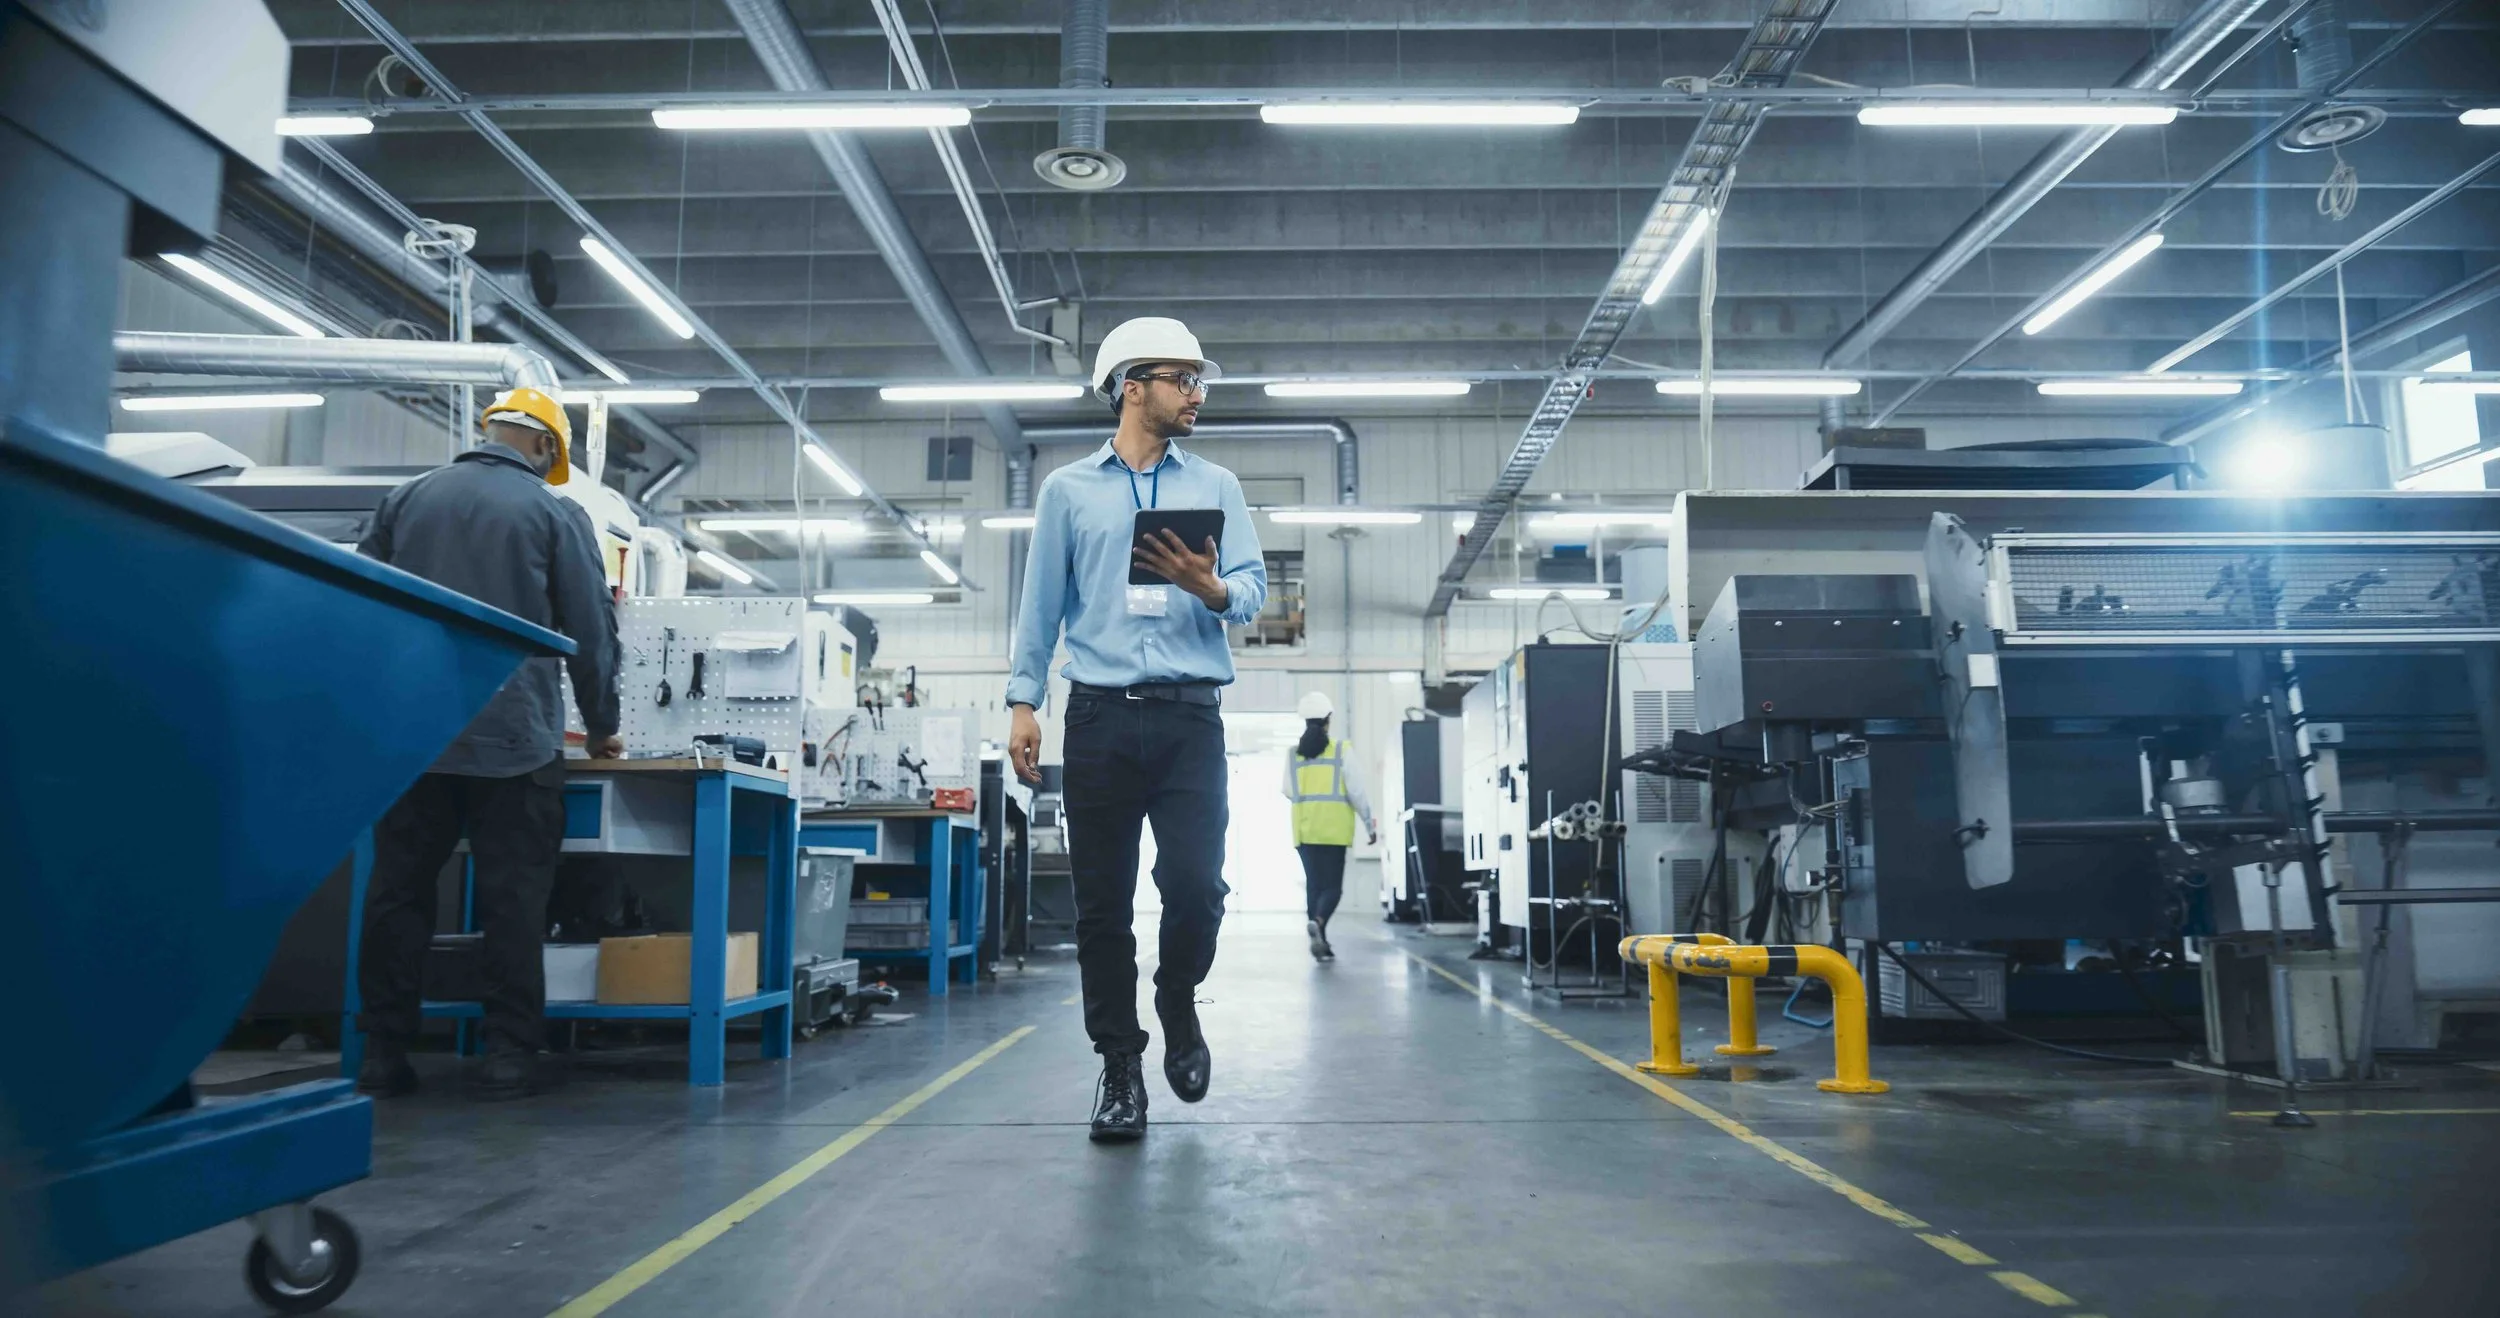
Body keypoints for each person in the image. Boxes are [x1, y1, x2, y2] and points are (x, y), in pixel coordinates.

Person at [1006, 317, 1267, 1143]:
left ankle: (1177, 999)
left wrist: (1213, 587)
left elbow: (1255, 590)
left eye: (1200, 380)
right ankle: (1120, 1066)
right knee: (1102, 908)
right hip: (1099, 721)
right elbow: (1040, 605)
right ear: (1131, 385)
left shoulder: (1218, 485)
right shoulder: (1067, 492)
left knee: (1197, 889)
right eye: (1182, 378)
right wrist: (1023, 702)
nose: (1197, 394)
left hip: (1191, 718)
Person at [353, 387, 623, 1100]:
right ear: (544, 446)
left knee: (398, 895)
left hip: (414, 735)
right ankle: (509, 1056)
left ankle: (382, 1054)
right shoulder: (553, 512)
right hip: (516, 739)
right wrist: (602, 724)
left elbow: (360, 605)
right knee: (514, 899)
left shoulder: (406, 500)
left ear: (491, 431)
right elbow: (590, 632)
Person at [1284, 691, 1378, 962]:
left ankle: (1320, 941)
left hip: (1304, 830)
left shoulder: (1293, 755)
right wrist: (1369, 825)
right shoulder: (1341, 750)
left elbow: (1288, 790)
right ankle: (1321, 923)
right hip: (1334, 830)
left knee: (1314, 886)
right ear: (1328, 719)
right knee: (1332, 888)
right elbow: (1357, 791)